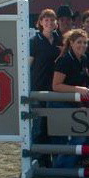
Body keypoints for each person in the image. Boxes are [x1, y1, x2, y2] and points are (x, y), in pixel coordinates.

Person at [51, 29, 89, 168]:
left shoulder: (84, 59)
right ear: (71, 43)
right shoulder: (64, 60)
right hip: (60, 104)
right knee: (74, 137)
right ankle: (61, 167)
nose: (82, 45)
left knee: (81, 136)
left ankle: (66, 165)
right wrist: (77, 89)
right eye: (79, 42)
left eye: (85, 42)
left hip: (74, 103)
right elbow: (56, 86)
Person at [29, 9, 61, 152]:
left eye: (52, 20)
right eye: (46, 20)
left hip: (56, 87)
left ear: (56, 23)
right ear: (40, 22)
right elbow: (28, 65)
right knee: (39, 125)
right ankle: (38, 157)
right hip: (39, 87)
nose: (49, 23)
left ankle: (53, 156)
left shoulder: (60, 39)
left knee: (53, 124)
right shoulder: (34, 41)